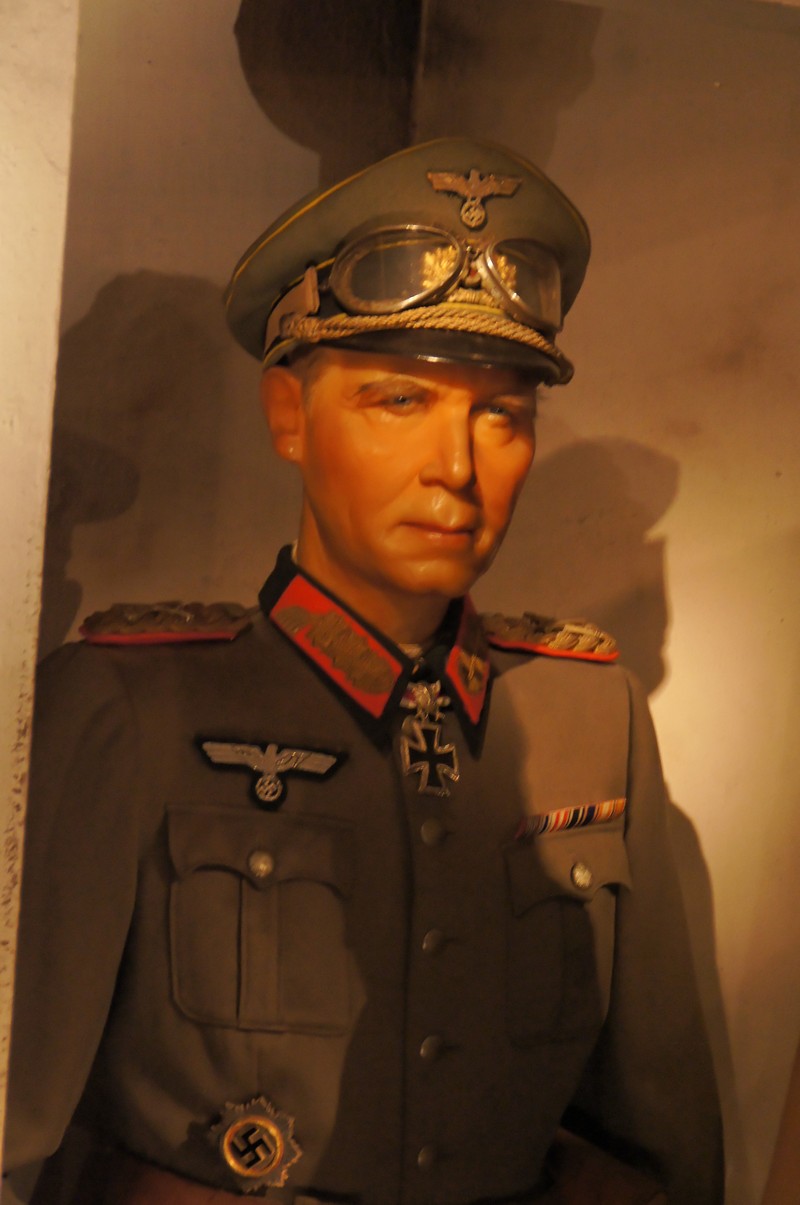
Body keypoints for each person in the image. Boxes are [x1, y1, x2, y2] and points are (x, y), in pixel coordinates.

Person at [5, 138, 723, 1204]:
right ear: (288, 417)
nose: (457, 465)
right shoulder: (131, 706)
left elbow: (658, 1152)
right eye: (399, 402)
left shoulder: (591, 720)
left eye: (501, 414)